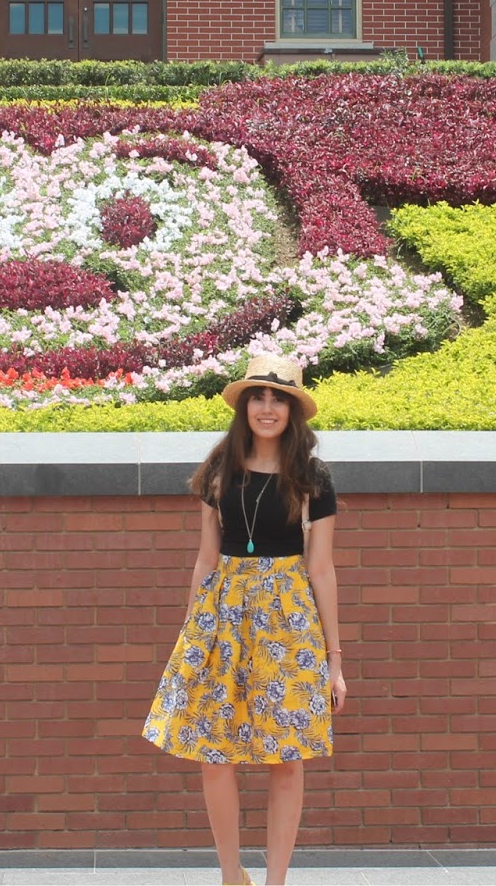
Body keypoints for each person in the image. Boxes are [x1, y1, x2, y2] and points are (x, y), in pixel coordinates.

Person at [144, 353, 345, 886]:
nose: (267, 407)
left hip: (289, 623)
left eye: (279, 398)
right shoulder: (220, 470)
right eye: (259, 396)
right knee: (214, 753)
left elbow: (321, 569)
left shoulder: (312, 477)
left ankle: (276, 881)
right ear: (245, 406)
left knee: (288, 757)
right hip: (222, 618)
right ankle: (232, 876)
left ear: (293, 411)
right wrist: (191, 635)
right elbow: (205, 558)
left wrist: (334, 660)